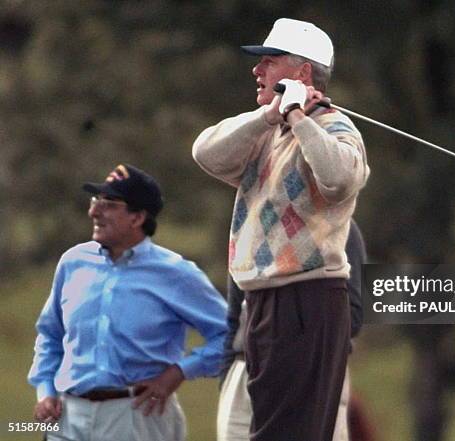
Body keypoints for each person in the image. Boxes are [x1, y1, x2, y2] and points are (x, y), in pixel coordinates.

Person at [192, 17, 369, 441]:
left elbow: (339, 177)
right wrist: (269, 116)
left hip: (307, 298)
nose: (257, 70)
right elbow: (205, 152)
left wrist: (300, 116)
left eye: (268, 62)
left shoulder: (335, 126)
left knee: (290, 432)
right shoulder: (265, 132)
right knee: (272, 428)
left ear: (302, 72)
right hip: (265, 301)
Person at [28, 164, 228, 441]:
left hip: (137, 416)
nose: (94, 211)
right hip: (68, 416)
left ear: (137, 217)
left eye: (108, 204)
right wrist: (46, 390)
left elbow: (230, 336)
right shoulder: (73, 262)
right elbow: (50, 335)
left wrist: (178, 372)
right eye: (95, 201)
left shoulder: (177, 274)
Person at [217, 219, 367, 441]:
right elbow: (234, 317)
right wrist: (227, 378)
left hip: (314, 373)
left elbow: (353, 315)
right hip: (246, 371)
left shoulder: (338, 224)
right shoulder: (250, 222)